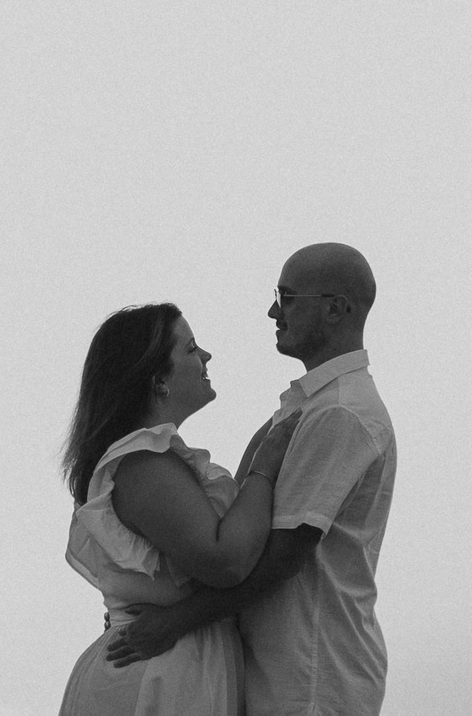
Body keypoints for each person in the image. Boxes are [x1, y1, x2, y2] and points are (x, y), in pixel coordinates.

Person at [106, 244, 396, 716]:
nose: (272, 311)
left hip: (310, 675)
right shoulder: (310, 406)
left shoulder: (339, 411)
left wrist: (175, 622)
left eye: (287, 296)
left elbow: (284, 554)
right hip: (276, 669)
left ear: (336, 309)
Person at [57, 302, 298, 716]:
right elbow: (226, 562)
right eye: (190, 349)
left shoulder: (154, 460)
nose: (205, 356)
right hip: (160, 675)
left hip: (174, 666)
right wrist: (265, 467)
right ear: (158, 380)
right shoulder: (142, 463)